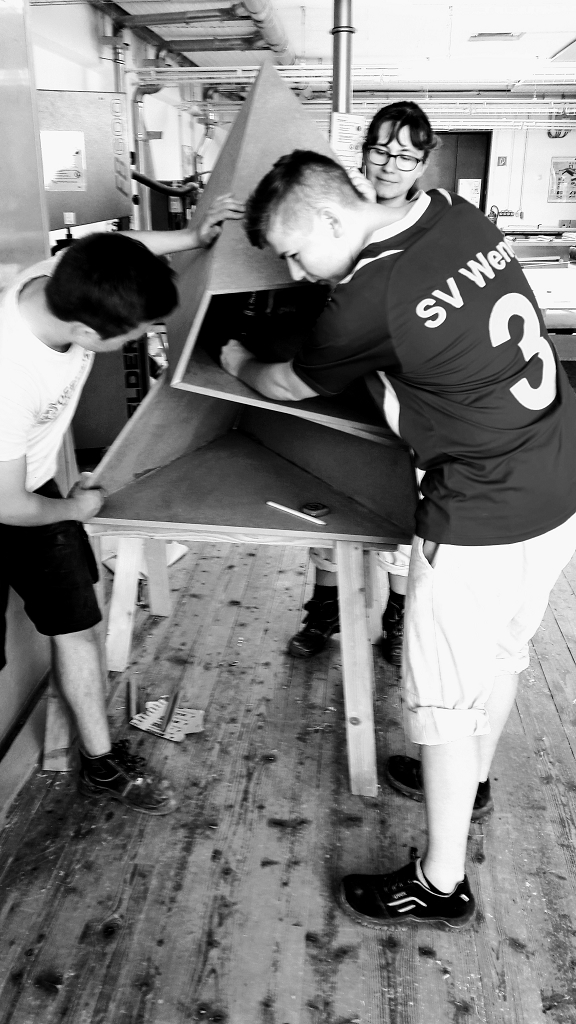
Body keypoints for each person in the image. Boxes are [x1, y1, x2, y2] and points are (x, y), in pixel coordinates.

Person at [219, 149, 576, 929]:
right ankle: (471, 783)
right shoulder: (455, 215)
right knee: (502, 658)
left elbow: (284, 382)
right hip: (559, 474)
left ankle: (439, 883)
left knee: (443, 705)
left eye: (294, 253)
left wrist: (236, 354)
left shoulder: (364, 303)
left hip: (483, 512)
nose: (296, 272)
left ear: (328, 218)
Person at [0, 195, 243, 817]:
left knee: (77, 621)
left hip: (30, 487)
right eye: (136, 334)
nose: (146, 338)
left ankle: (101, 764)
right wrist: (75, 510)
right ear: (86, 333)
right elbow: (9, 506)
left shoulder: (60, 276)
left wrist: (191, 235)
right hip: (13, 500)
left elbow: (120, 251)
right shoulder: (9, 374)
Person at [287, 102, 436, 666]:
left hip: (405, 395)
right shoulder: (342, 212)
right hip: (344, 387)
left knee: (400, 515)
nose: (391, 164)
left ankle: (397, 619)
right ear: (365, 152)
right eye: (381, 150)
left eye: (406, 155)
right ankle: (324, 612)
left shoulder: (429, 224)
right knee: (332, 502)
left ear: (423, 162)